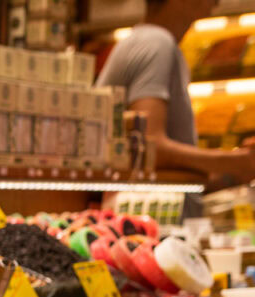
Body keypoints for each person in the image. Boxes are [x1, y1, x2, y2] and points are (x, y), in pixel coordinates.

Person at [98, 0, 255, 183]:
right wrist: (233, 162)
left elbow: (171, 169)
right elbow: (149, 146)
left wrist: (235, 170)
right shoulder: (156, 42)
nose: (216, 2)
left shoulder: (140, 41)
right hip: (153, 210)